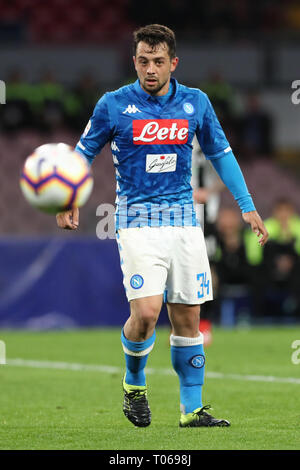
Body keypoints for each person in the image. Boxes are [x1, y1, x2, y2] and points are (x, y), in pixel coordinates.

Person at [56, 24, 268, 428]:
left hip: (185, 223)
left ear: (173, 63)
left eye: (157, 62)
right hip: (137, 222)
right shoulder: (113, 105)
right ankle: (134, 385)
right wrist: (67, 197)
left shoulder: (196, 103)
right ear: (134, 62)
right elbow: (82, 153)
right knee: (148, 313)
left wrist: (246, 205)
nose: (149, 69)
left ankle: (192, 409)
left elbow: (221, 154)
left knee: (188, 318)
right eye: (142, 61)